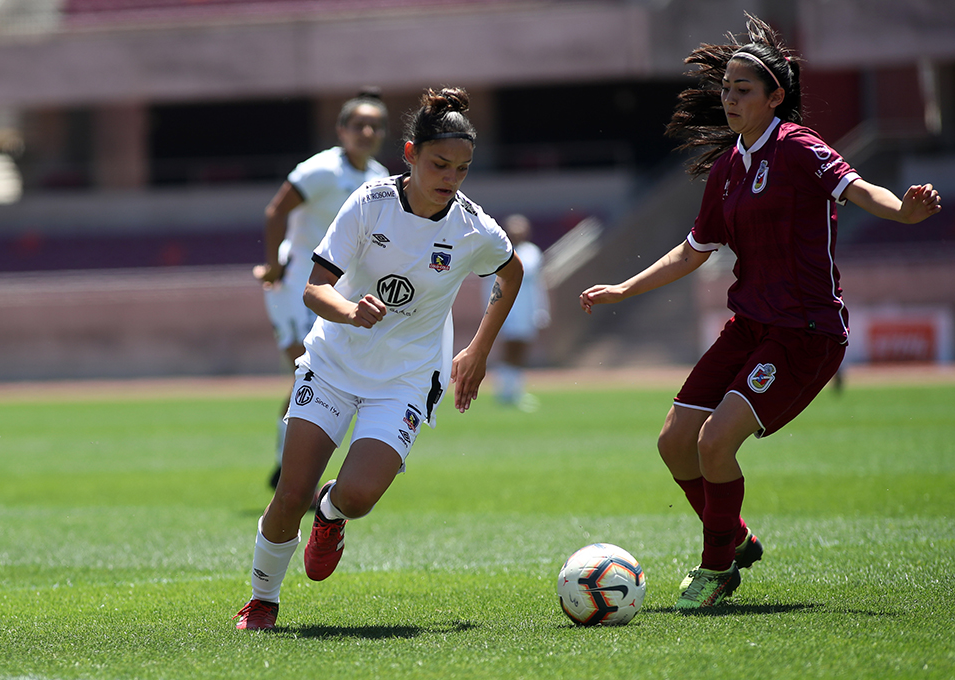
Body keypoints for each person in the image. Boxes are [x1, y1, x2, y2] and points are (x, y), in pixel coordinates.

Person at [579, 13, 941, 611]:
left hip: (806, 332)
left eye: (742, 90)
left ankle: (716, 566)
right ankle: (736, 535)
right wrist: (624, 289)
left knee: (716, 443)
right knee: (676, 442)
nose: (728, 99)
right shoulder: (726, 170)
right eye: (725, 89)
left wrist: (902, 211)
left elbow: (857, 189)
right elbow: (692, 251)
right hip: (749, 327)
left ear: (776, 96)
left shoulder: (800, 149)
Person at [236, 86, 524, 630]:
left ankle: (332, 513)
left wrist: (478, 350)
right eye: (440, 164)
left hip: (407, 379)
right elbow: (315, 288)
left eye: (462, 169)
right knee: (289, 491)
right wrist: (347, 311)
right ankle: (263, 599)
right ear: (411, 154)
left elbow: (510, 274)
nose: (450, 179)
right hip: (334, 362)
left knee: (360, 495)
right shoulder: (369, 203)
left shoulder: (473, 228)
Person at [253, 89, 390, 490]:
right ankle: (293, 475)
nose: (367, 131)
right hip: (296, 286)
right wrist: (276, 266)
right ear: (341, 129)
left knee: (318, 377)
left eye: (375, 126)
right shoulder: (321, 170)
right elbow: (276, 210)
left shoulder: (379, 177)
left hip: (336, 295)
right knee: (308, 374)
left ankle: (286, 466)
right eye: (359, 124)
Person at [489, 214, 550, 411]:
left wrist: (541, 309)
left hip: (527, 310)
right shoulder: (499, 252)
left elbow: (537, 285)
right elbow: (490, 286)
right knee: (509, 349)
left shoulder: (532, 252)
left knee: (521, 350)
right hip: (507, 309)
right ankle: (505, 392)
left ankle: (515, 390)